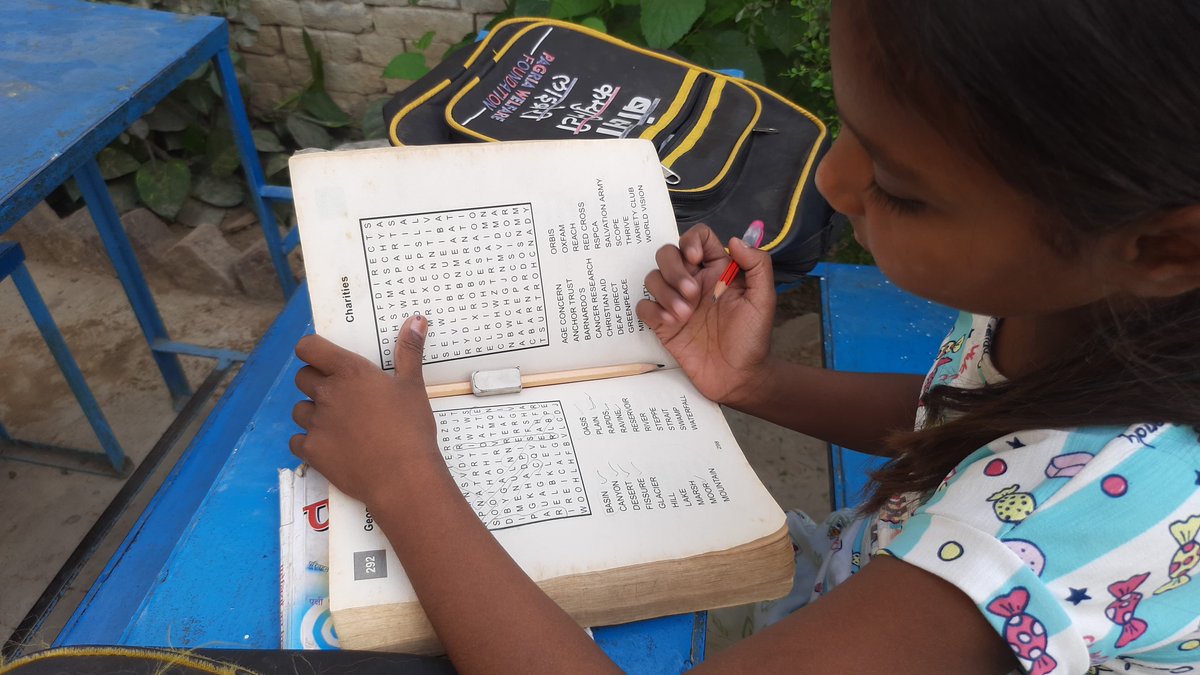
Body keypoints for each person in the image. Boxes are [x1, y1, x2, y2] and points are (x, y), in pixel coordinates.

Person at [289, 1, 1200, 672]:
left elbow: (1011, 498)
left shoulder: (1072, 523)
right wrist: (754, 384)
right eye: (854, 133)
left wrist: (405, 478)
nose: (836, 183)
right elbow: (972, 421)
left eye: (904, 188)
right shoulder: (1094, 307)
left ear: (1164, 244)